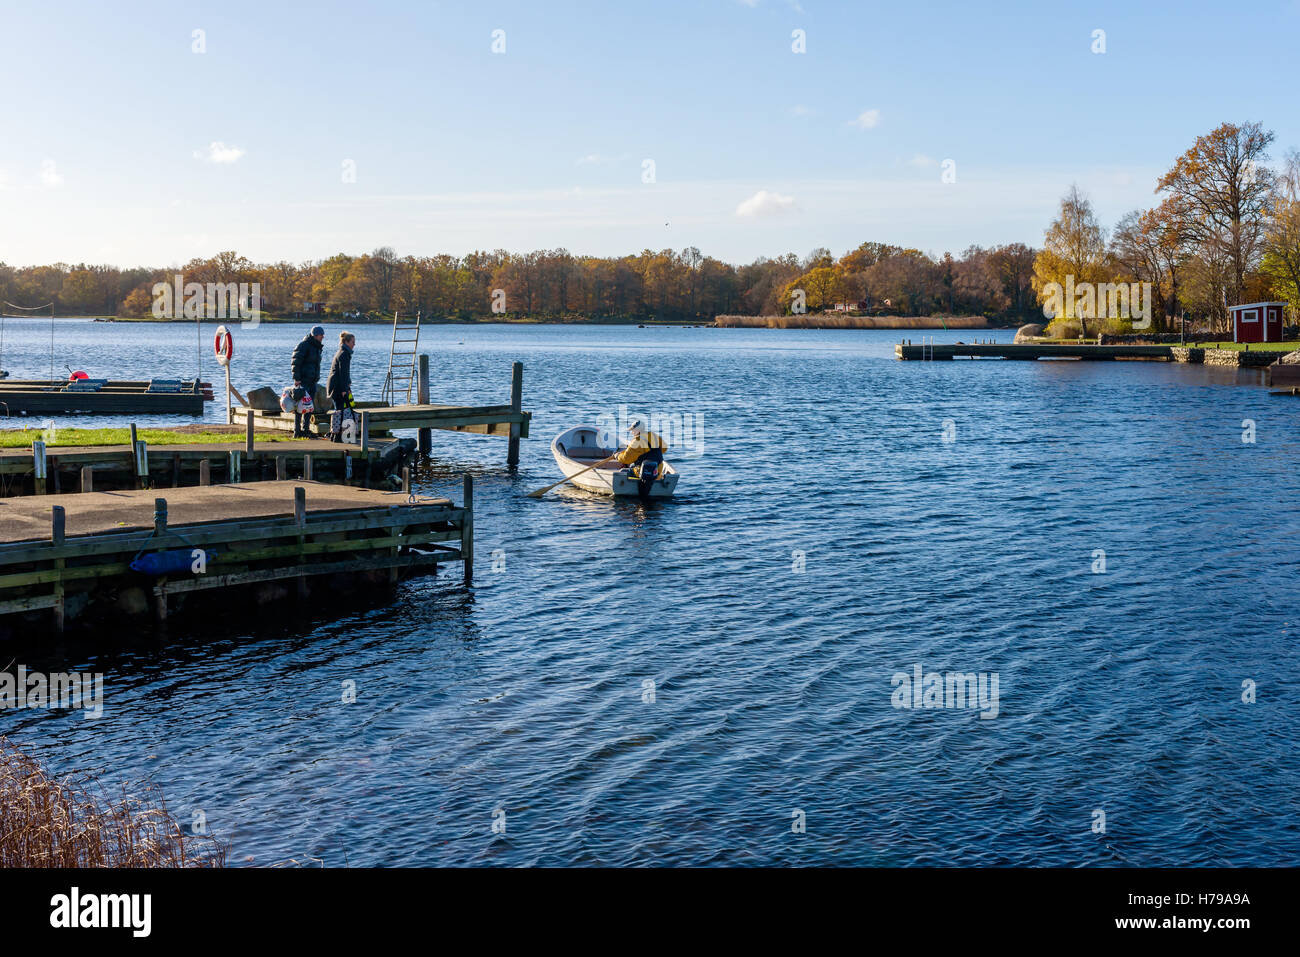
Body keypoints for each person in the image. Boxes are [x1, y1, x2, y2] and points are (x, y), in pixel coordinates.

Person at [614, 417, 669, 497]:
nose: (632, 432)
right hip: (658, 470)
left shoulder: (636, 442)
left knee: (623, 471)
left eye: (632, 430)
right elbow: (664, 449)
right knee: (634, 465)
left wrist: (617, 456)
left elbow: (626, 459)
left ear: (637, 430)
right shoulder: (653, 435)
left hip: (641, 472)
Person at [290, 325, 325, 437]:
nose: (322, 337)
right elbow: (296, 362)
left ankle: (305, 429)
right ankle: (297, 431)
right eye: (321, 335)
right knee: (299, 407)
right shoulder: (303, 345)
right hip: (303, 381)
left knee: (309, 407)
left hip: (312, 381)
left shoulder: (317, 347)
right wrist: (297, 379)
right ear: (315, 335)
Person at [326, 331, 356, 442]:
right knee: (340, 411)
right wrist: (344, 389)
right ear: (347, 342)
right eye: (353, 342)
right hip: (338, 387)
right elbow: (343, 373)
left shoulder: (342, 352)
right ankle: (337, 436)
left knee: (339, 410)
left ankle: (337, 435)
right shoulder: (344, 354)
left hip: (335, 386)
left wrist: (347, 384)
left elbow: (344, 374)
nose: (354, 344)